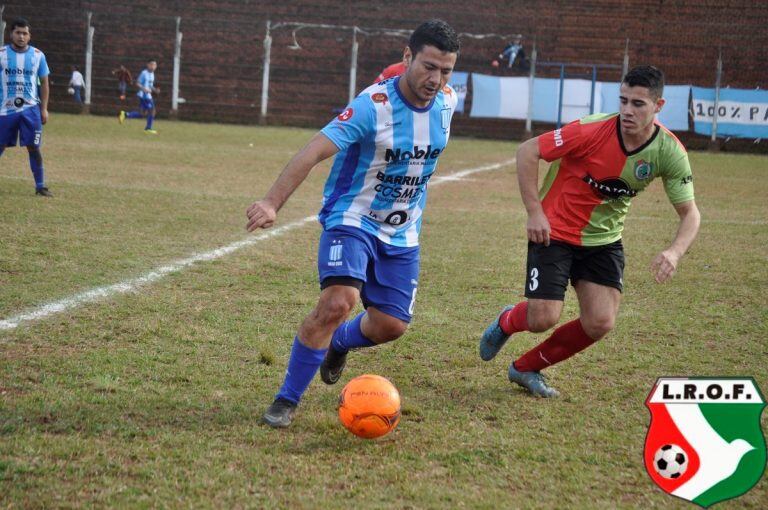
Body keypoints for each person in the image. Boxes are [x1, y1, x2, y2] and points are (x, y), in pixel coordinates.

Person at [246, 19, 461, 428]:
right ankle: (286, 400)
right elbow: (312, 151)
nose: (436, 79)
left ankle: (338, 344)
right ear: (406, 57)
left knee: (391, 325)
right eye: (428, 66)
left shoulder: (448, 102)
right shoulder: (372, 107)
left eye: (445, 70)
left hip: (402, 230)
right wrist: (272, 202)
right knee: (337, 303)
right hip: (352, 217)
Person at [479, 65, 700, 397]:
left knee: (600, 322)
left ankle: (525, 368)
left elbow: (690, 213)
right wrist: (534, 212)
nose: (627, 110)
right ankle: (507, 321)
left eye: (638, 104)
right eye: (623, 100)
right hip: (553, 230)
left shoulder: (669, 151)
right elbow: (529, 150)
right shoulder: (590, 130)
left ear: (659, 106)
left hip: (603, 240)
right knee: (543, 317)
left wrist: (674, 251)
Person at [0, 18, 52, 197]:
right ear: (11, 34)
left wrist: (44, 108)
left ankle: (40, 186)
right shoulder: (1, 54)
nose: (21, 36)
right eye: (18, 33)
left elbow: (44, 83)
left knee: (33, 147)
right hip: (5, 110)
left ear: (29, 36)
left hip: (31, 110)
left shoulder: (38, 55)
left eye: (25, 33)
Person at [118, 59, 158, 134]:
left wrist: (155, 89)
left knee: (142, 114)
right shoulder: (144, 73)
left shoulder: (152, 74)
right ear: (148, 65)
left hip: (148, 96)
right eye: (152, 64)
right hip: (144, 96)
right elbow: (137, 83)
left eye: (155, 65)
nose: (153, 66)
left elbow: (150, 86)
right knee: (152, 111)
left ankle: (125, 114)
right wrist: (144, 89)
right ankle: (148, 128)